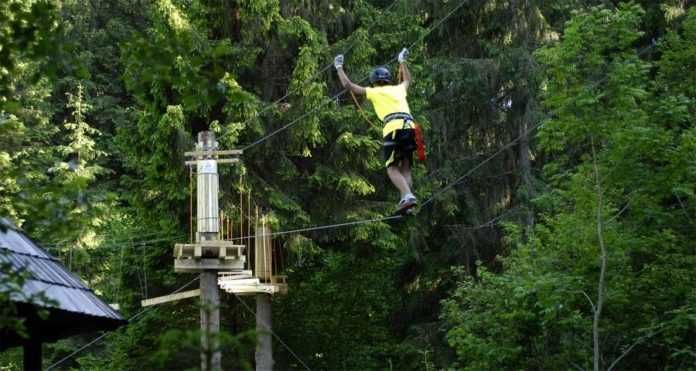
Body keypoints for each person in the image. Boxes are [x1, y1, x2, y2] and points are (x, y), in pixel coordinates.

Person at [334, 48, 418, 213]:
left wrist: (338, 67)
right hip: (410, 128)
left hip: (393, 128)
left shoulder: (374, 91)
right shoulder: (398, 89)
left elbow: (348, 85)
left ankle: (407, 196)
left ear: (374, 81)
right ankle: (407, 203)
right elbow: (407, 80)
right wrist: (402, 62)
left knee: (392, 168)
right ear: (387, 79)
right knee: (405, 168)